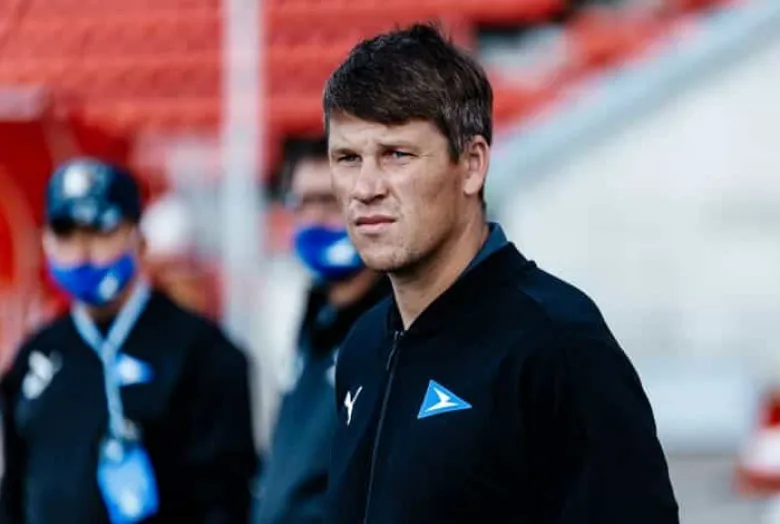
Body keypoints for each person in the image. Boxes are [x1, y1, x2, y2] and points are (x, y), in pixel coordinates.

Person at [322, 24, 680, 524]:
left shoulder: (557, 343)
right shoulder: (362, 347)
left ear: (472, 165)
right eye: (347, 158)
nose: (365, 187)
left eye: (397, 155)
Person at [0, 158, 259, 524]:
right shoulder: (36, 356)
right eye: (66, 232)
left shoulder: (202, 352)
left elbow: (226, 499)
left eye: (100, 229)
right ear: (46, 240)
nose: (82, 250)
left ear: (139, 238)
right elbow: (14, 491)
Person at [253, 138, 388, 524]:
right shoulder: (312, 318)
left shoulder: (398, 328)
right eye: (301, 204)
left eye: (329, 201)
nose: (313, 218)